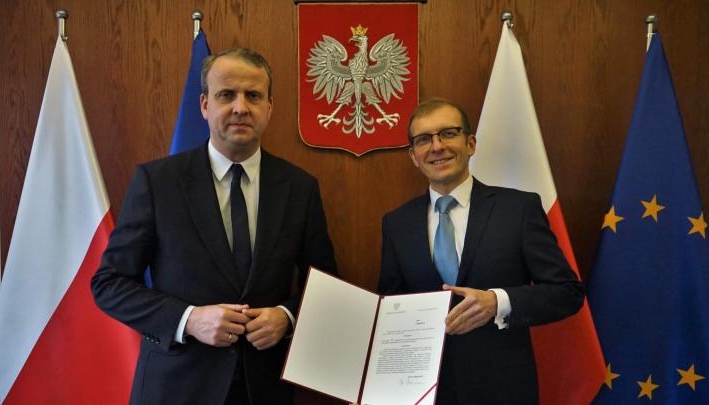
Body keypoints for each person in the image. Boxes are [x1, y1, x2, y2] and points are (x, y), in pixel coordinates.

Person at [91, 48, 337, 405]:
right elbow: (109, 283)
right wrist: (188, 319)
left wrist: (287, 317)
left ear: (270, 107)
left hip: (264, 389)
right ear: (205, 105)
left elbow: (326, 284)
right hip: (177, 388)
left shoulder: (300, 187)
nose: (240, 107)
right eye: (226, 95)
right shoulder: (158, 182)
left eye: (253, 96)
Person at [378, 98, 583, 404]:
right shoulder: (397, 223)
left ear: (470, 143)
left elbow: (567, 292)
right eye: (423, 140)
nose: (437, 146)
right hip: (424, 393)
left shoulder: (518, 209)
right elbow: (391, 310)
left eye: (448, 133)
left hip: (502, 389)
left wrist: (497, 302)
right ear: (413, 156)